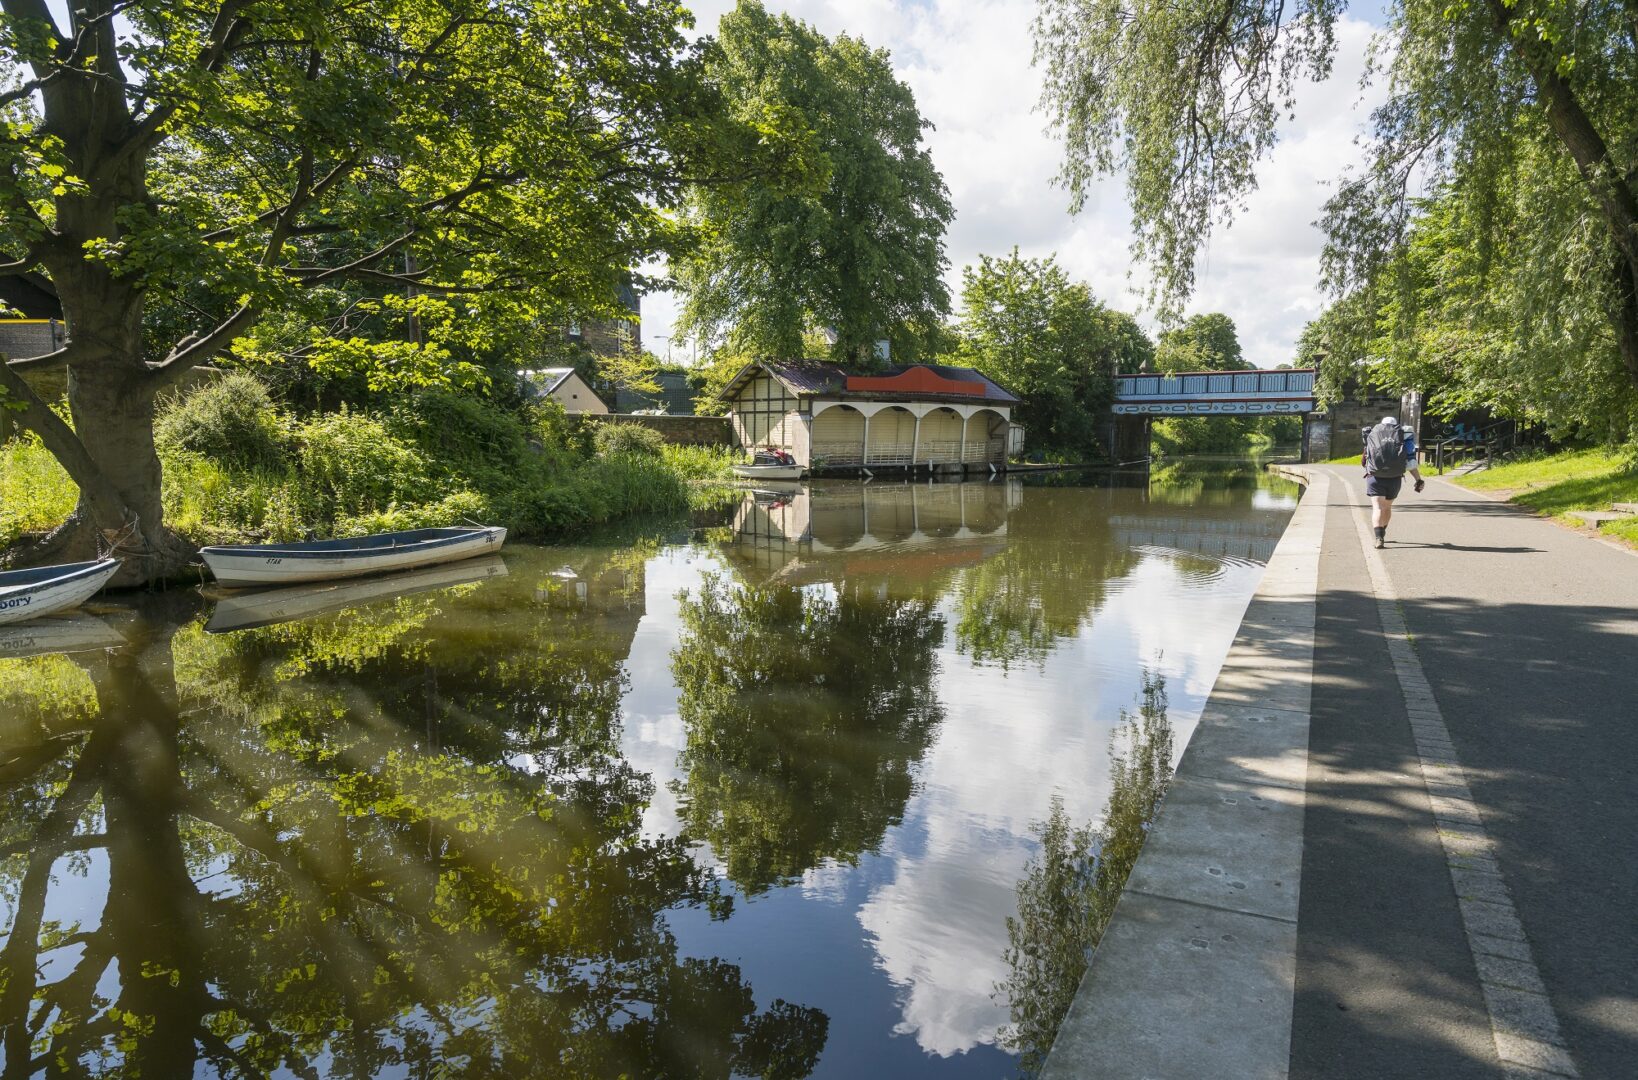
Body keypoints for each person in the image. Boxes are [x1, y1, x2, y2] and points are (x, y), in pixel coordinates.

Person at [1361, 415, 1425, 548]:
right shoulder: (1402, 436)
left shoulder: (1373, 435)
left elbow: (1365, 461)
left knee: (1377, 508)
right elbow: (1411, 464)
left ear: (1381, 425)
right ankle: (1382, 531)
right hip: (1395, 478)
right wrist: (1418, 480)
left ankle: (1379, 538)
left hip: (1375, 477)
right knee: (1387, 507)